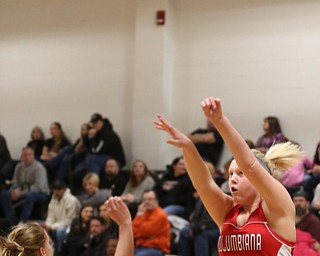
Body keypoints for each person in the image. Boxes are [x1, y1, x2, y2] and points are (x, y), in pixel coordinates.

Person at [154, 96, 303, 255]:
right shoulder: (227, 211)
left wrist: (220, 122)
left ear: (261, 179)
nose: (233, 178)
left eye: (240, 174)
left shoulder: (276, 207)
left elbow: (250, 166)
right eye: (230, 174)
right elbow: (204, 185)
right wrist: (188, 147)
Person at [0, 146, 50, 223]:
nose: (27, 157)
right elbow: (15, 182)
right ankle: (11, 220)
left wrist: (21, 193)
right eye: (25, 155)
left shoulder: (39, 168)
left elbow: (37, 187)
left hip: (41, 192)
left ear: (33, 156)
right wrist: (14, 191)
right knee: (4, 194)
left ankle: (23, 222)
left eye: (29, 155)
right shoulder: (18, 166)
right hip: (23, 190)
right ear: (22, 156)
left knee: (29, 195)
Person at [42, 181, 81, 254]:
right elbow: (51, 216)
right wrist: (47, 225)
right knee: (43, 229)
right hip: (56, 225)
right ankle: (50, 251)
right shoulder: (53, 200)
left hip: (69, 226)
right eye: (55, 190)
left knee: (60, 231)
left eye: (59, 189)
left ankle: (60, 252)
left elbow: (69, 220)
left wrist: (52, 226)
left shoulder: (71, 200)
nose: (56, 192)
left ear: (64, 189)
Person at [132, 189, 170, 256]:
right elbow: (132, 232)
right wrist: (139, 214)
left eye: (150, 199)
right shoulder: (142, 213)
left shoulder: (160, 214)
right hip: (140, 247)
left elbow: (146, 231)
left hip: (156, 249)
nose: (147, 202)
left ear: (156, 200)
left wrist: (140, 215)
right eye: (144, 200)